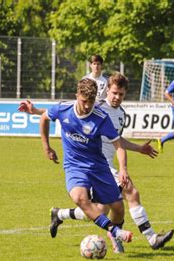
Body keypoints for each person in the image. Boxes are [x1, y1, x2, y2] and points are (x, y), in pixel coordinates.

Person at [51, 73, 174, 253]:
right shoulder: (96, 107)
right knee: (131, 192)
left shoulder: (121, 114)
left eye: (121, 94)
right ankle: (152, 238)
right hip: (97, 164)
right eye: (114, 93)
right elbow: (62, 111)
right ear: (107, 90)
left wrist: (139, 148)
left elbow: (117, 141)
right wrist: (36, 111)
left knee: (100, 210)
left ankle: (60, 214)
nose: (117, 97)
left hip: (107, 165)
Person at [18, 78, 133, 246]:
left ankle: (62, 215)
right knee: (80, 198)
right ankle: (116, 233)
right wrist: (47, 148)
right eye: (84, 101)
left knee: (117, 207)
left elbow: (119, 145)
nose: (87, 105)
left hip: (98, 166)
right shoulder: (63, 109)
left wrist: (123, 169)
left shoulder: (101, 118)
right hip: (74, 166)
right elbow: (44, 118)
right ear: (77, 95)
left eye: (91, 101)